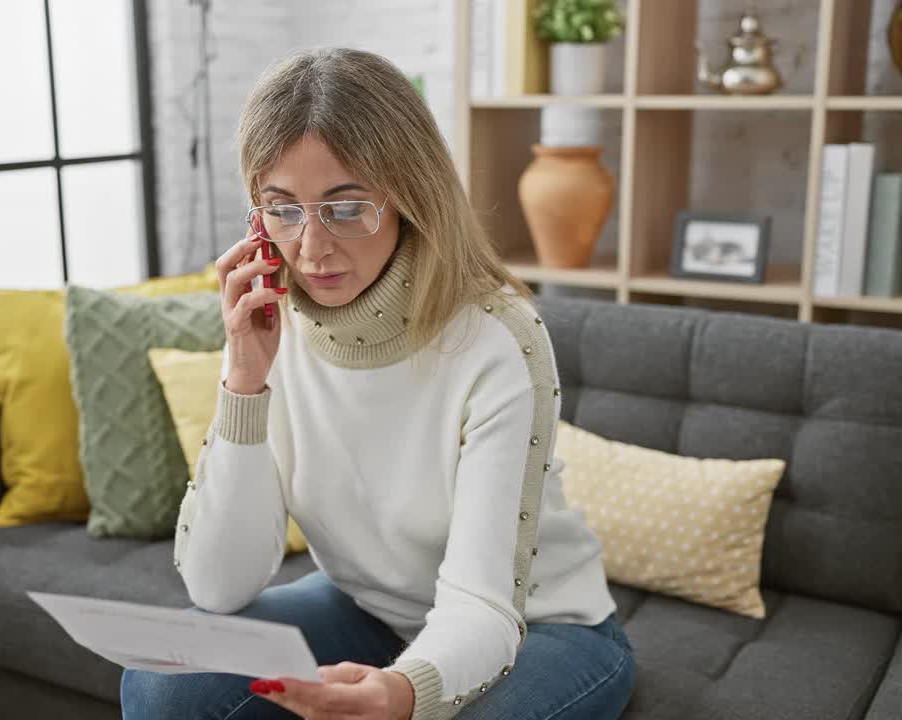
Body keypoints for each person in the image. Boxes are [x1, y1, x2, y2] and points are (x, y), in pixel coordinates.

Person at [120, 47, 634, 720]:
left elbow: (483, 601)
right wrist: (244, 381)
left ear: (409, 197)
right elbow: (218, 587)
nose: (311, 249)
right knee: (163, 683)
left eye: (345, 207)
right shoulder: (273, 329)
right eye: (282, 209)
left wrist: (405, 691)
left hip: (541, 626)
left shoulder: (497, 338)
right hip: (372, 613)